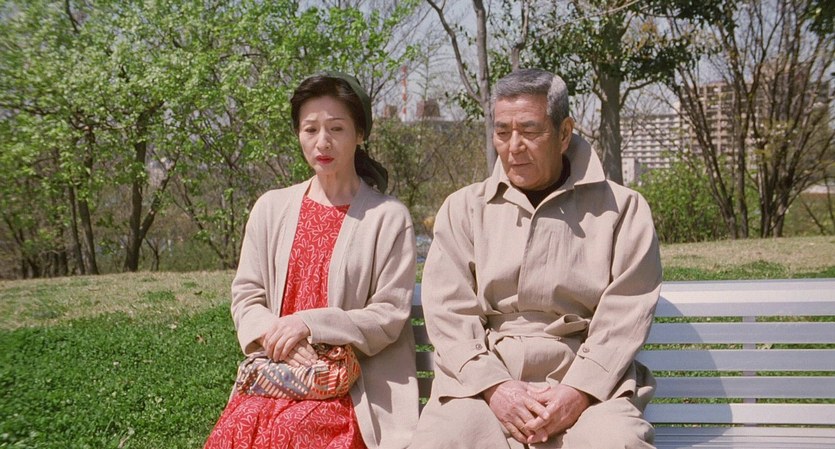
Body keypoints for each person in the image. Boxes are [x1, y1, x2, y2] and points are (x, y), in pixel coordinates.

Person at [410, 68, 662, 448]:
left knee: (616, 442)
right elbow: (449, 312)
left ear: (564, 133)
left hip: (588, 381)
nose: (514, 146)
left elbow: (625, 315)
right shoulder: (463, 209)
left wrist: (578, 391)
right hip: (482, 383)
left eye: (529, 131)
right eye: (502, 132)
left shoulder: (622, 209)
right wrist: (496, 388)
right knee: (443, 441)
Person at [204, 72, 419, 449]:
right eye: (310, 129)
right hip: (277, 377)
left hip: (350, 390)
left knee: (291, 435)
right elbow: (247, 295)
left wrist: (309, 325)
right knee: (234, 435)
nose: (323, 142)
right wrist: (277, 337)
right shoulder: (271, 208)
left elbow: (389, 313)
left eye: (336, 128)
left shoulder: (388, 218)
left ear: (360, 133)